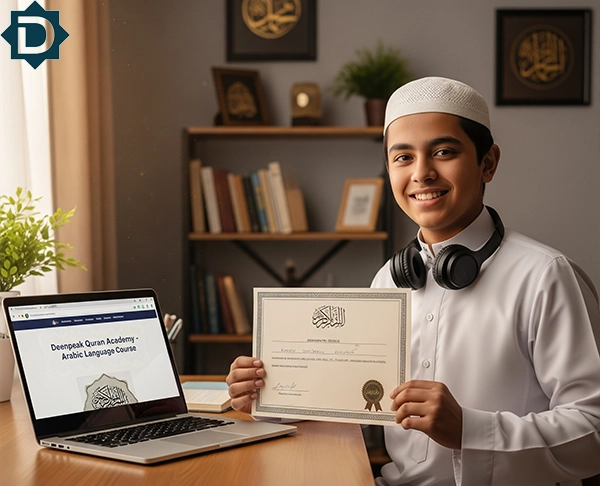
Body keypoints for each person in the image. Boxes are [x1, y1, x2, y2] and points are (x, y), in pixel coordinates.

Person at [226, 77, 600, 485]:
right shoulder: (389, 280)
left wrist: (469, 430)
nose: (422, 173)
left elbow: (593, 432)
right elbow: (348, 399)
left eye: (443, 152)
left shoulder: (546, 276)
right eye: (402, 158)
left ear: (488, 163)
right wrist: (267, 397)